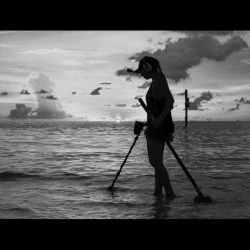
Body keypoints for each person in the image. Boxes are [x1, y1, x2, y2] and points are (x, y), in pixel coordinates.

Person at [132, 56, 176, 198]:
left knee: (155, 162)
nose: (141, 75)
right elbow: (156, 107)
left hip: (159, 127)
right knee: (158, 162)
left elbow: (170, 101)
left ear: (148, 68)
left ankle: (170, 194)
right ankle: (158, 193)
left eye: (142, 71)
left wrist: (159, 119)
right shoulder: (156, 81)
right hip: (155, 125)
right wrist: (147, 123)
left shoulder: (159, 81)